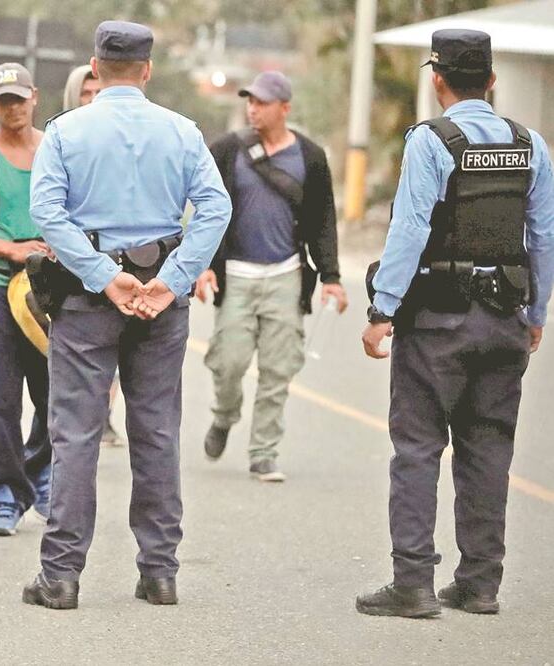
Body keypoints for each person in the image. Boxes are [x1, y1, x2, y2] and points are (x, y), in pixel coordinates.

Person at [21, 21, 231, 610]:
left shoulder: (65, 131)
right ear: (147, 69)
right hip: (160, 298)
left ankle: (60, 577)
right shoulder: (183, 131)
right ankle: (160, 572)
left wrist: (99, 273)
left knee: (77, 434)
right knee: (157, 432)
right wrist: (173, 278)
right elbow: (216, 209)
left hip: (90, 301)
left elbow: (47, 212)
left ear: (95, 67)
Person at [356, 29, 553, 618]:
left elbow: (410, 228)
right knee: (488, 449)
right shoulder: (531, 144)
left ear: (436, 78)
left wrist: (382, 310)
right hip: (505, 321)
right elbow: (542, 236)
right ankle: (479, 583)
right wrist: (536, 312)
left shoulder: (431, 141)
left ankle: (413, 584)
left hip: (438, 319)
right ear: (491, 82)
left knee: (417, 447)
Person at [194, 71, 347, 482]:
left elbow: (322, 219)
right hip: (237, 275)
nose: (253, 108)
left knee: (278, 369)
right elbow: (204, 208)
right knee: (228, 362)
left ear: (285, 108)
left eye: (261, 102)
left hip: (285, 274)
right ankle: (224, 416)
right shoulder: (229, 150)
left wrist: (331, 275)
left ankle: (263, 450)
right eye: (250, 101)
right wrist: (203, 264)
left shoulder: (310, 156)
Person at [0, 62, 52, 536]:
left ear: (34, 98)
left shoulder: (55, 150)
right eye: (3, 102)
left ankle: (39, 476)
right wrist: (11, 249)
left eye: (19, 100)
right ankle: (6, 493)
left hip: (48, 285)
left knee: (53, 393)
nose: (12, 109)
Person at [64, 63, 124, 448]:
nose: (91, 100)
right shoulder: (62, 138)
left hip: (118, 263)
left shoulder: (119, 141)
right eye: (84, 94)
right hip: (71, 268)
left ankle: (102, 417)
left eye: (97, 92)